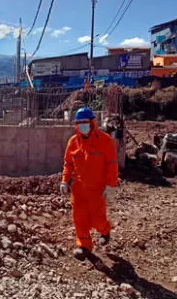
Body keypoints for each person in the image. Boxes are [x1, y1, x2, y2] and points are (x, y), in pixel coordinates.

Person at [61, 107, 119, 261]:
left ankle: (105, 231)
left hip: (97, 190)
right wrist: (64, 180)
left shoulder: (105, 141)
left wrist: (111, 184)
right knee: (79, 219)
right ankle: (84, 246)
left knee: (97, 220)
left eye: (84, 122)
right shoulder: (73, 142)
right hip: (79, 189)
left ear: (92, 123)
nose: (82, 125)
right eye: (78, 122)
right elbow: (68, 163)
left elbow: (112, 164)